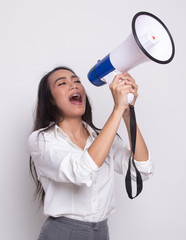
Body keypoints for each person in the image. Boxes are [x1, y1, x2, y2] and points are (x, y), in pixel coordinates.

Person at [28, 66, 153, 240]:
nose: (74, 86)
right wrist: (117, 109)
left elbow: (142, 170)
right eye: (62, 83)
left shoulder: (103, 138)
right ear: (50, 101)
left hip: (101, 233)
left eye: (77, 81)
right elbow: (81, 172)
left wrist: (127, 113)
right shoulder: (42, 140)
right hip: (62, 233)